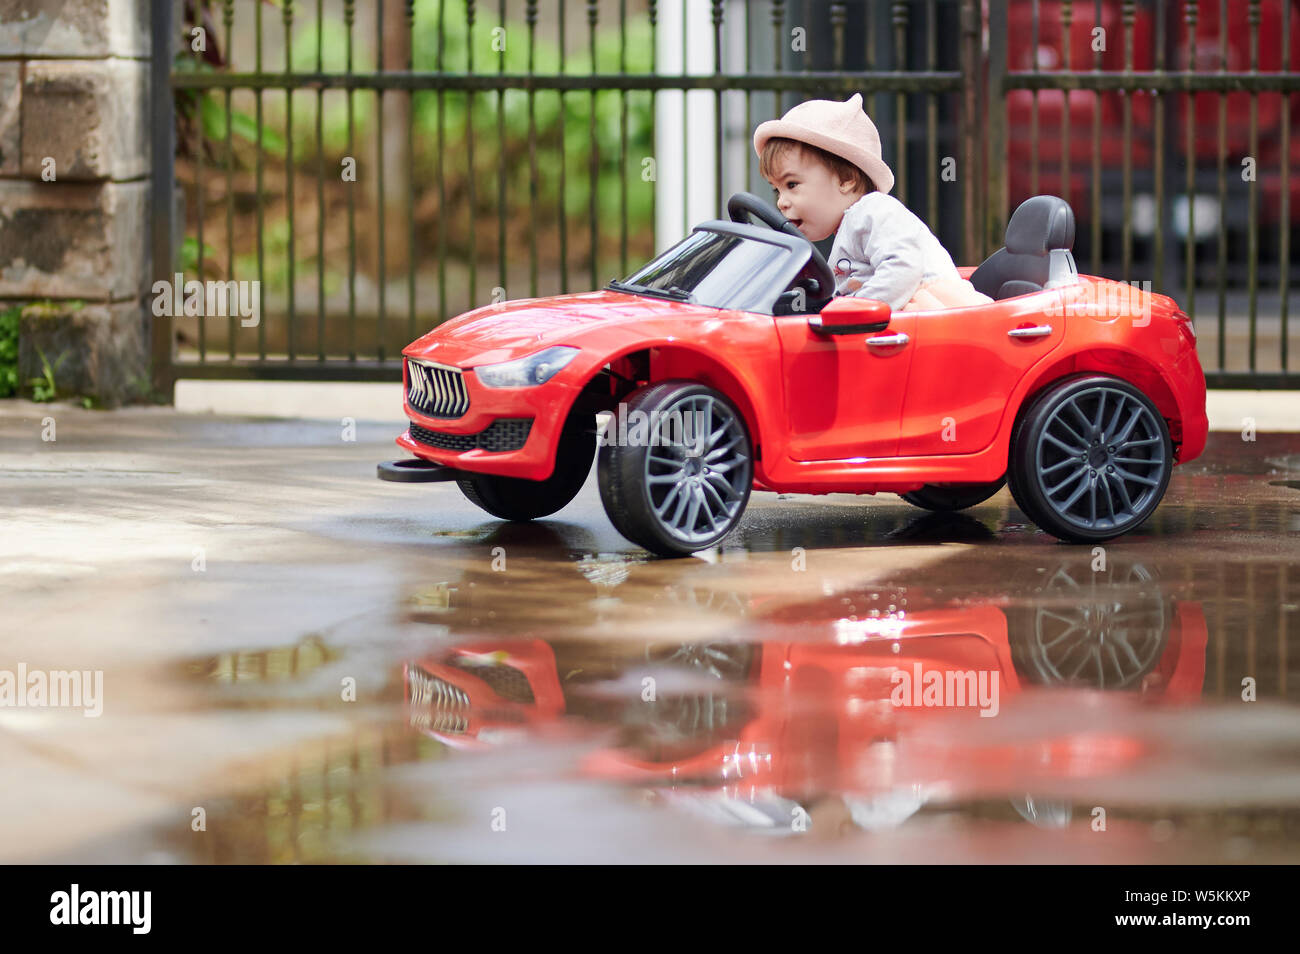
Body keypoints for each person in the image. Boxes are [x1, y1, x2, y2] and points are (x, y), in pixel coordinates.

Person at [753, 92, 992, 312]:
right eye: (777, 190)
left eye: (792, 185)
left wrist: (852, 311)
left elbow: (904, 265)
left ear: (846, 179)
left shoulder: (873, 211)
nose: (782, 202)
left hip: (929, 316)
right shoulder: (849, 227)